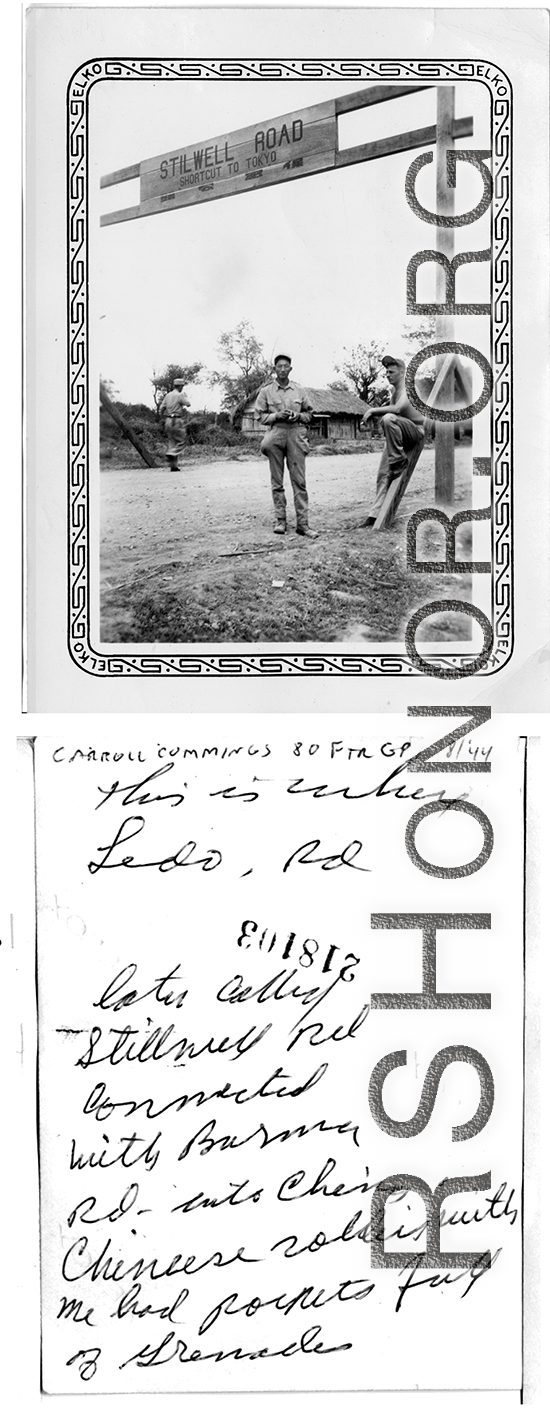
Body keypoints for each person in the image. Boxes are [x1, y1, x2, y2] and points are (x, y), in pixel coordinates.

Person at [254, 355, 317, 538]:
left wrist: (297, 416)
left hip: (296, 434)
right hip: (276, 434)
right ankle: (280, 521)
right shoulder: (266, 391)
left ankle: (303, 524)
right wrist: (276, 416)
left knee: (299, 481)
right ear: (274, 369)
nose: (282, 369)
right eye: (279, 366)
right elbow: (259, 416)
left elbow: (310, 414)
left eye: (286, 366)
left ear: (290, 369)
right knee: (277, 481)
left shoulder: (299, 390)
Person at [360, 355, 426, 525]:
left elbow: (396, 410)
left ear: (402, 372)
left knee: (388, 418)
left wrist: (373, 410)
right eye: (386, 372)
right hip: (399, 434)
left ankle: (398, 461)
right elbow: (394, 413)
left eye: (391, 372)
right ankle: (375, 515)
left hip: (414, 431)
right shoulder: (394, 392)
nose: (388, 375)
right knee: (383, 473)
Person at [158, 377, 191, 470]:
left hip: (168, 420)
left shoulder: (168, 395)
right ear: (180, 386)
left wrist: (163, 417)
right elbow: (188, 404)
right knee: (182, 440)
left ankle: (174, 466)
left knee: (172, 442)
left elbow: (161, 408)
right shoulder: (180, 395)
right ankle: (171, 454)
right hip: (177, 420)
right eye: (182, 386)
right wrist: (185, 396)